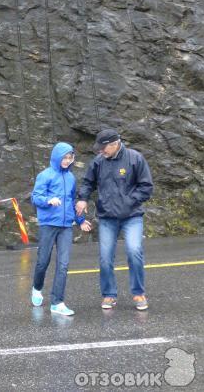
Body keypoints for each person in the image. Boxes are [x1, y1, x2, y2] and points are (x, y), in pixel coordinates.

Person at [75, 128, 153, 311]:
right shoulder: (99, 162)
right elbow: (88, 182)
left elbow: (146, 186)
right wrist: (83, 198)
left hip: (132, 216)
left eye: (103, 148)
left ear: (114, 144)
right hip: (107, 217)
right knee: (105, 258)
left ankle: (138, 293)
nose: (101, 151)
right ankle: (109, 295)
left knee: (134, 252)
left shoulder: (135, 158)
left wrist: (128, 202)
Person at [31, 142, 92, 316]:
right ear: (57, 157)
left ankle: (57, 302)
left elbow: (72, 202)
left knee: (63, 265)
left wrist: (80, 220)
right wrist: (48, 200)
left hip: (66, 226)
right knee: (43, 261)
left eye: (70, 158)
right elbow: (36, 197)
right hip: (48, 224)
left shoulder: (71, 177)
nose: (67, 161)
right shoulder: (45, 175)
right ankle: (37, 288)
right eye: (64, 157)